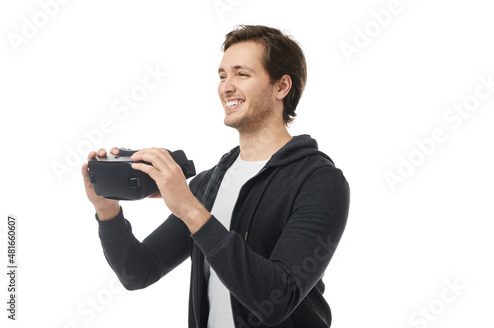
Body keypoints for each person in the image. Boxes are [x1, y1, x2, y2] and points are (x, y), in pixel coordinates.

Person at [82, 25, 350, 328]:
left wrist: (188, 208)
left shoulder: (320, 181)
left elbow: (278, 299)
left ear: (281, 86)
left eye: (242, 74)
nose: (226, 87)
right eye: (222, 76)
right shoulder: (209, 184)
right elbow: (138, 272)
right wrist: (107, 212)